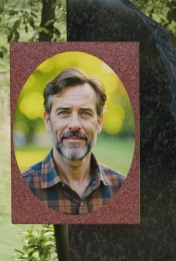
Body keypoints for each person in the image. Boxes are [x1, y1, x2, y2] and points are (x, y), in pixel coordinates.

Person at [21, 67, 126, 215]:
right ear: (47, 121)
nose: (75, 124)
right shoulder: (21, 188)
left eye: (85, 113)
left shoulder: (122, 187)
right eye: (64, 112)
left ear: (99, 123)